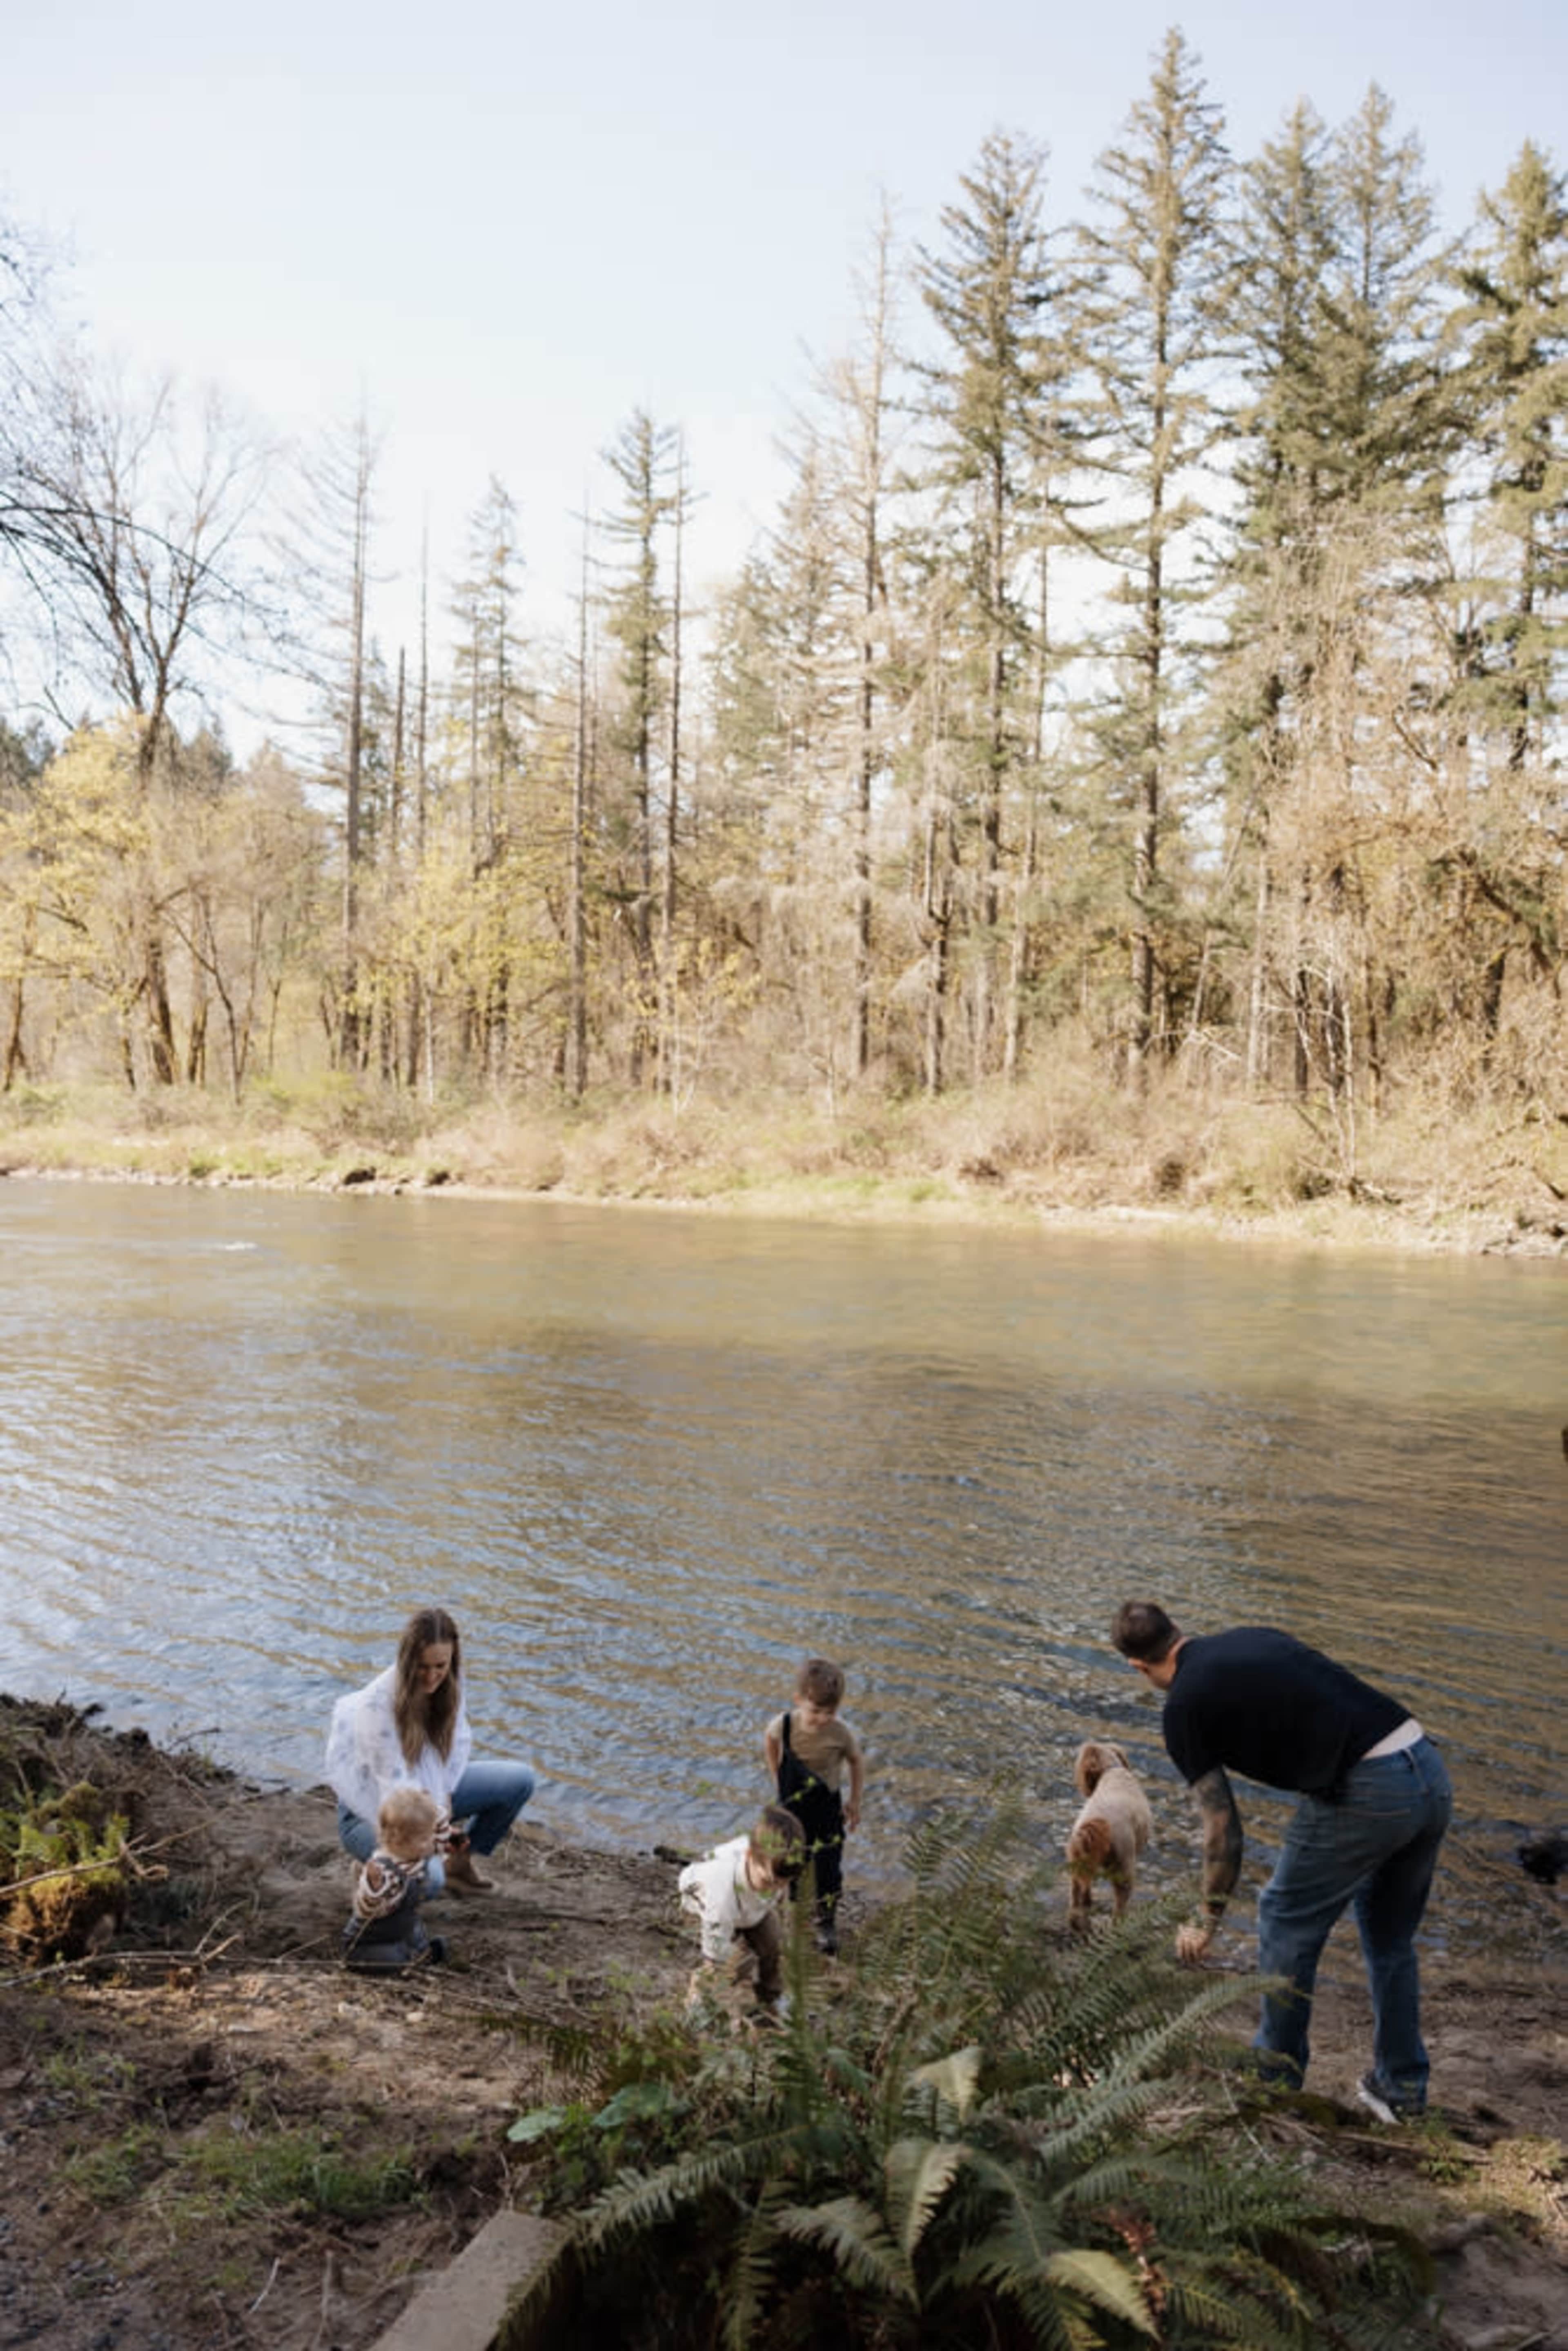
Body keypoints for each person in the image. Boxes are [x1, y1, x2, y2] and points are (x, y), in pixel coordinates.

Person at [1111, 1601, 1452, 2120]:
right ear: (1178, 1628)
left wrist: (1207, 1921)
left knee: (1282, 1917)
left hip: (1370, 1790)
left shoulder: (1183, 1707)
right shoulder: (1254, 1637)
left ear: (1137, 1666)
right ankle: (1402, 2089)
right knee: (1389, 1941)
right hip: (1426, 1766)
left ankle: (1272, 2081)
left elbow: (1223, 1830)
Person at [325, 1607, 535, 1897]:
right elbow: (396, 1791)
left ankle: (458, 1867)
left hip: (428, 1791)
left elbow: (457, 1747)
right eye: (423, 1666)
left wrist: (445, 1801)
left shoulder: (451, 1681)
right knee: (430, 1879)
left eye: (440, 1665)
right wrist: (440, 1829)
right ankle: (371, 1870)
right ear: (407, 1659)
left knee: (519, 1780)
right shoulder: (376, 1707)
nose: (432, 1676)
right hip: (377, 1811)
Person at [763, 1656, 865, 1955]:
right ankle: (792, 1914)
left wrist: (855, 1801)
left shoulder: (840, 1733)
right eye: (816, 1711)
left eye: (830, 1712)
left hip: (827, 1810)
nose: (823, 1718)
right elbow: (769, 1741)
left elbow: (857, 1761)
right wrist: (776, 1775)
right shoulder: (784, 1724)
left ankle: (826, 1921)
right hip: (792, 1806)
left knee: (828, 1869)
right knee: (791, 1860)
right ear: (799, 1700)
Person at [677, 1806, 806, 2017]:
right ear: (749, 1857)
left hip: (749, 1908)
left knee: (774, 1944)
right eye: (770, 1883)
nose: (776, 1890)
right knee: (735, 1966)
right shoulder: (721, 1893)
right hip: (702, 1904)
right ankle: (698, 1999)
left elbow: (779, 1890)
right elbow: (715, 1954)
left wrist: (782, 1910)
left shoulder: (773, 1867)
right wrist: (719, 1960)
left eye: (784, 1884)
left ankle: (771, 1997)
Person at [343, 1785, 447, 1973]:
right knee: (392, 1957)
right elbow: (367, 1908)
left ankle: (421, 1953)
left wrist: (432, 1809)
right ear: (398, 1840)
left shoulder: (414, 1855)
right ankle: (409, 1960)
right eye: (424, 1839)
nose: (430, 1842)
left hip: (398, 1927)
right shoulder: (384, 1869)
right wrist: (375, 1887)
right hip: (369, 1942)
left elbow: (440, 1839)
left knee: (416, 1931)